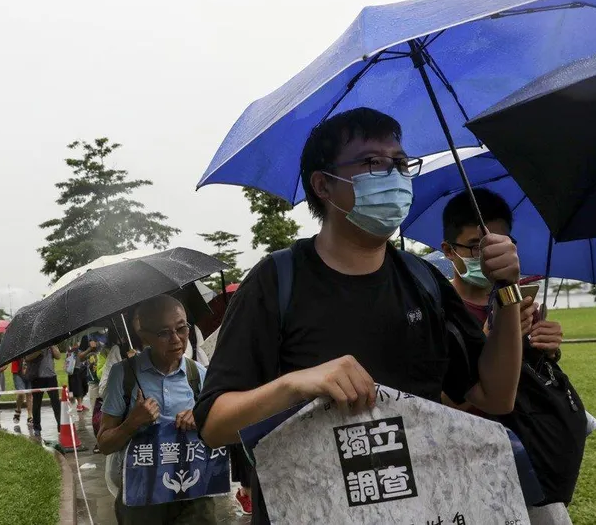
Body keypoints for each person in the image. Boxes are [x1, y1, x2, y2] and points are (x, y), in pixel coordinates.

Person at [194, 108, 525, 525]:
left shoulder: (423, 280)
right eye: (372, 163)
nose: (394, 176)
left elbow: (494, 396)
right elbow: (215, 425)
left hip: (422, 508)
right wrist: (296, 384)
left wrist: (508, 292)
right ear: (323, 185)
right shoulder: (276, 281)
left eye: (401, 163)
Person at [441, 188, 583, 524]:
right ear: (449, 251)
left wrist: (548, 347)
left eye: (501, 242)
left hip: (529, 458)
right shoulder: (438, 307)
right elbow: (443, 400)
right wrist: (496, 339)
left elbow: (532, 376)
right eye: (477, 245)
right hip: (465, 465)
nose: (491, 253)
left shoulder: (520, 300)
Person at [97, 295, 213, 524]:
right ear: (145, 336)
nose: (176, 340)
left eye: (182, 329)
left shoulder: (198, 374)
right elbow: (104, 443)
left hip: (193, 493)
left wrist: (201, 418)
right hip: (141, 498)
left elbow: (219, 433)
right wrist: (132, 423)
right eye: (163, 333)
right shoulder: (124, 375)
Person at [25, 345, 62, 438]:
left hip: (51, 377)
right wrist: (39, 350)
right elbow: (27, 357)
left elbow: (58, 356)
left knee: (56, 403)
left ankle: (60, 426)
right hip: (37, 378)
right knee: (37, 404)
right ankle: (37, 428)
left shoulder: (51, 343)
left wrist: (52, 346)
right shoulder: (34, 343)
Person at [10, 358, 33, 425]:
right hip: (17, 371)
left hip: (30, 370)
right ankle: (18, 409)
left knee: (29, 394)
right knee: (21, 393)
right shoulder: (13, 347)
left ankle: (30, 416)